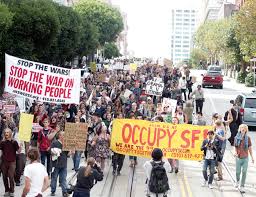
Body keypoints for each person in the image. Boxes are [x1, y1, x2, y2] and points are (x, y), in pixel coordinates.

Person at [234, 124, 254, 193]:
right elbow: (235, 146)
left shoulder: (248, 138)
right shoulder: (236, 137)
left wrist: (252, 157)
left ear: (246, 130)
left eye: (244, 128)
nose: (243, 129)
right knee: (237, 172)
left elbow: (250, 148)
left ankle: (242, 186)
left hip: (245, 157)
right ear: (239, 129)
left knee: (244, 172)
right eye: (242, 128)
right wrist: (235, 152)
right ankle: (237, 181)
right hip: (238, 157)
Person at [0, 128, 19, 197]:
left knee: (11, 176)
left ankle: (12, 191)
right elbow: (1, 150)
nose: (6, 133)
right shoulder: (2, 142)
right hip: (4, 162)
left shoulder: (14, 142)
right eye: (5, 132)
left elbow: (18, 151)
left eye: (7, 132)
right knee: (4, 177)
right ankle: (6, 190)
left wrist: (21, 146)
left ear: (10, 133)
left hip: (12, 162)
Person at [50, 131, 69, 197]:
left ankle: (64, 192)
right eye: (63, 135)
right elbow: (51, 151)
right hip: (56, 164)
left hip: (63, 164)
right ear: (60, 136)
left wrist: (72, 151)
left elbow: (68, 154)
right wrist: (57, 152)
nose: (64, 137)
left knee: (63, 179)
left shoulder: (66, 143)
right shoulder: (55, 142)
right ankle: (53, 190)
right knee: (54, 178)